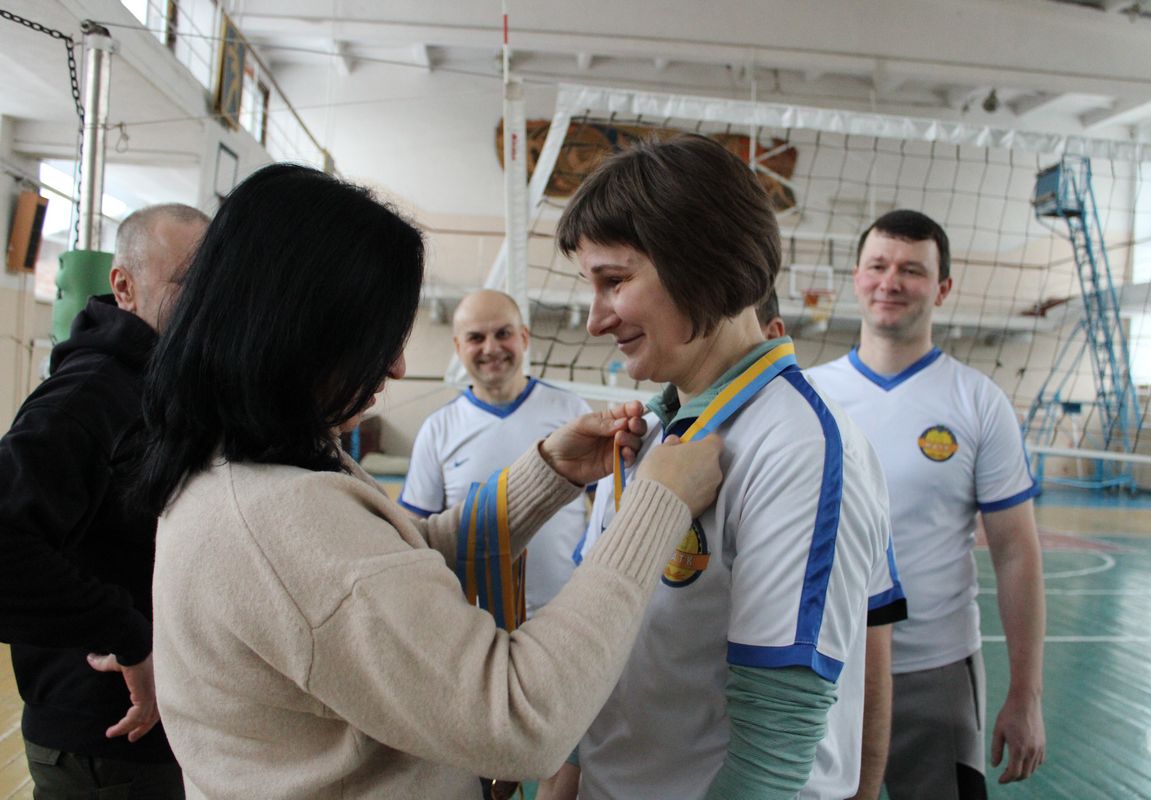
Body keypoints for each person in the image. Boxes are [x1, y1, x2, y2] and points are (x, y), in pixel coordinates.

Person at [135, 163, 724, 799]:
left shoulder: (245, 468)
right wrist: (655, 507)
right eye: (377, 339)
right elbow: (519, 717)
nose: (395, 366)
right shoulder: (277, 517)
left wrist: (548, 475)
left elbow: (392, 567)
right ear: (302, 331)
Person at [555, 134, 896, 800]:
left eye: (614, 282)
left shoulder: (797, 447)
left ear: (699, 265)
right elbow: (605, 658)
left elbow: (772, 755)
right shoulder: (652, 434)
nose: (595, 320)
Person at [806, 209, 1046, 798]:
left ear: (942, 288)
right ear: (856, 278)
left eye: (911, 270)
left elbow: (1016, 552)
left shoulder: (978, 402)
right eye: (878, 266)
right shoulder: (809, 395)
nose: (890, 282)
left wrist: (1026, 695)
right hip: (822, 667)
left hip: (935, 669)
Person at [0, 203, 209, 798]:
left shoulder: (166, 389)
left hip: (167, 729)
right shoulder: (88, 394)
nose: (205, 300)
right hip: (105, 741)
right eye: (186, 282)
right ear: (123, 286)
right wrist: (127, 632)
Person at [756, 290, 906, 800]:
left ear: (774, 336)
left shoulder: (833, 451)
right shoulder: (640, 438)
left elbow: (874, 649)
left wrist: (865, 790)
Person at [401, 288, 593, 618]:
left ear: (524, 337)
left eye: (503, 334)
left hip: (566, 614)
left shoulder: (571, 411)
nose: (491, 348)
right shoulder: (438, 429)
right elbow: (414, 533)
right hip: (474, 622)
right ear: (458, 347)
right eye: (476, 337)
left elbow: (608, 509)